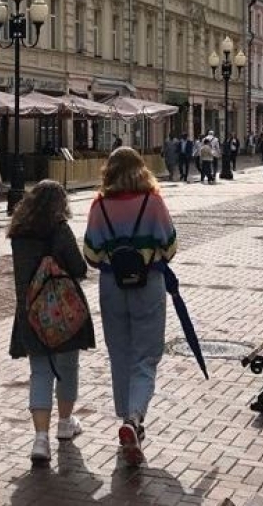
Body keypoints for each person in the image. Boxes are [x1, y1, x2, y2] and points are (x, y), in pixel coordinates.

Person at [83, 147, 178, 467]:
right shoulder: (153, 202)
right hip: (148, 284)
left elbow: (91, 255)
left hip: (112, 285)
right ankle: (134, 418)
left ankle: (126, 417)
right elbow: (170, 247)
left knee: (120, 353)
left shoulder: (99, 205)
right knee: (146, 356)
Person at [8, 180, 94, 465]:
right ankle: (65, 424)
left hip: (31, 311)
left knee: (40, 373)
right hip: (64, 310)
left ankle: (40, 439)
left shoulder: (19, 233)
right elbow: (79, 267)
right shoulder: (59, 229)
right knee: (67, 368)